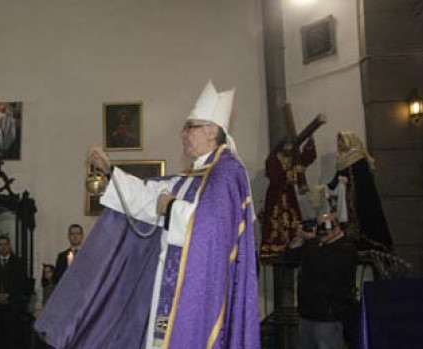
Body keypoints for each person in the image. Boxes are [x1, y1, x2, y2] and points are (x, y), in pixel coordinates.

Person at [36, 80, 259, 348]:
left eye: (189, 127)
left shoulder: (226, 172)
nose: (182, 134)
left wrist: (171, 208)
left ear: (212, 132)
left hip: (199, 293)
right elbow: (147, 197)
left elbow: (213, 230)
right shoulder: (192, 177)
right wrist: (109, 171)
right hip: (171, 284)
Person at [284, 213, 357, 348]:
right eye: (319, 225)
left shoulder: (346, 247)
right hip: (307, 314)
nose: (322, 230)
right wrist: (299, 239)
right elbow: (289, 259)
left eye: (327, 225)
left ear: (338, 228)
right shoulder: (315, 245)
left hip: (329, 316)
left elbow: (322, 267)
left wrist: (311, 240)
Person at [330, 131, 392, 251]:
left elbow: (363, 184)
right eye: (338, 141)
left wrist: (347, 183)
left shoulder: (358, 159)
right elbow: (334, 183)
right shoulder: (341, 161)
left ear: (349, 141)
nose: (339, 144)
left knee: (365, 225)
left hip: (360, 199)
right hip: (347, 202)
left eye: (341, 140)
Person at [260, 137, 317, 260]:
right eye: (287, 145)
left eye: (291, 145)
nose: (289, 148)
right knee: (276, 220)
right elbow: (276, 177)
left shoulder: (292, 158)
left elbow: (304, 160)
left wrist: (309, 147)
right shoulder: (273, 159)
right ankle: (275, 246)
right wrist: (292, 173)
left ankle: (294, 244)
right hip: (276, 195)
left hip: (289, 194)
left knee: (293, 219)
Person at [0, 235, 27, 349]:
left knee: (11, 336)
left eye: (5, 245)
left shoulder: (18, 262)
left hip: (12, 304)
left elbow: (21, 282)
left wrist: (9, 295)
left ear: (9, 246)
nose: (3, 247)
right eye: (0, 245)